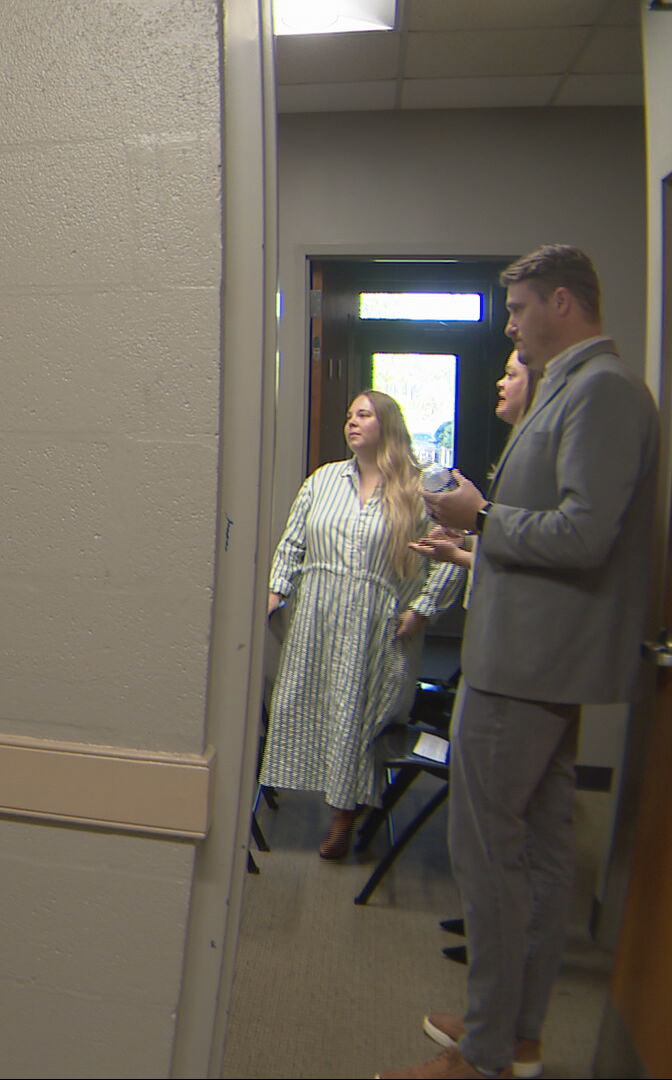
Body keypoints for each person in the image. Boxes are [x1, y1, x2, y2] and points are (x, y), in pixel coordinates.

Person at [386, 245, 660, 1080]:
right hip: (532, 658)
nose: (509, 327)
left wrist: (483, 516)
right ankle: (516, 1035)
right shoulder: (575, 388)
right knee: (536, 853)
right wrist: (481, 531)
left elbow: (584, 534)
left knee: (488, 855)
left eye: (517, 310)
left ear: (562, 303)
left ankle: (485, 1052)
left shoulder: (602, 391)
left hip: (528, 665)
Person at [261, 390, 464, 859]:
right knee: (311, 705)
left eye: (364, 415)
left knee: (357, 713)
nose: (352, 421)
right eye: (349, 415)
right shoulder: (323, 480)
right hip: (317, 613)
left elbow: (453, 553)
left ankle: (344, 813)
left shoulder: (417, 489)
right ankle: (331, 799)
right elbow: (293, 542)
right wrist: (276, 591)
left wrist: (421, 608)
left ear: (387, 424)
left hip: (375, 623)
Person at [411, 350, 543, 573]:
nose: (500, 383)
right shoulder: (518, 448)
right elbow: (509, 540)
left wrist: (476, 518)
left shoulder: (539, 460)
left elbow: (534, 553)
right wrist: (464, 542)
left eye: (511, 375)